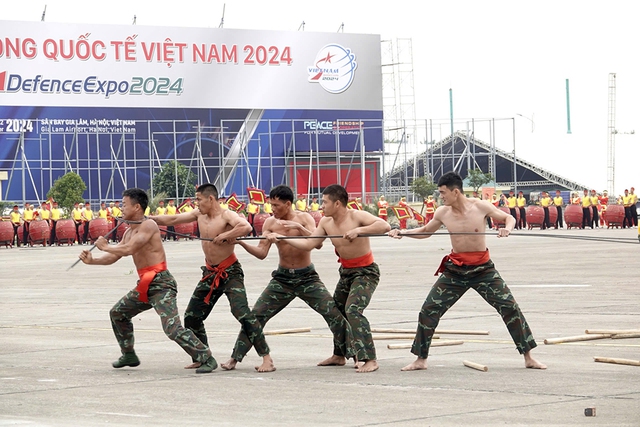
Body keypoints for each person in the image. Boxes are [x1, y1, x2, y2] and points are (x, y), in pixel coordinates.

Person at [388, 172, 546, 372]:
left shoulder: (480, 206)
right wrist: (402, 232)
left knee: (510, 307)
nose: (441, 197)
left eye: (443, 193)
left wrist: (507, 229)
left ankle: (529, 356)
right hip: (455, 270)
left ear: (455, 192)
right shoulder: (443, 212)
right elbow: (425, 232)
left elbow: (508, 218)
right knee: (428, 310)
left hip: (483, 270)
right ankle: (421, 359)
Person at [78, 188, 218, 373]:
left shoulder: (148, 225)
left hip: (161, 284)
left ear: (137, 207)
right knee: (118, 313)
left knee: (172, 329)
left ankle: (206, 357)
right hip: (145, 283)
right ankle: (128, 354)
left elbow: (129, 249)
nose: (121, 208)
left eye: (124, 204)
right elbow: (114, 257)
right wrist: (92, 261)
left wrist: (105, 247)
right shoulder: (129, 232)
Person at [221, 185, 355, 372]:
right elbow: (261, 253)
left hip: (307, 278)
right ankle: (235, 358)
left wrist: (295, 230)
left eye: (276, 205)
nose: (273, 209)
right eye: (271, 205)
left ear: (288, 204)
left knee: (333, 314)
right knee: (255, 317)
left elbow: (316, 245)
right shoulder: (269, 223)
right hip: (282, 280)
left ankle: (352, 355)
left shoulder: (304, 218)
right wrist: (240, 242)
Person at [150, 184, 273, 372]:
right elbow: (173, 218)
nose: (196, 203)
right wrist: (148, 220)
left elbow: (245, 226)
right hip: (210, 273)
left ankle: (266, 358)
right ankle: (201, 356)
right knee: (192, 316)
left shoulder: (226, 215)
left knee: (241, 313)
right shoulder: (199, 214)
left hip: (230, 272)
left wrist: (226, 234)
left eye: (199, 199)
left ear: (211, 199)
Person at [279, 184, 391, 373]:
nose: (321, 206)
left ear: (337, 203)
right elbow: (310, 244)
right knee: (335, 312)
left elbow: (385, 225)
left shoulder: (356, 216)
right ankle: (339, 355)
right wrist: (282, 238)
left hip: (365, 272)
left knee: (353, 310)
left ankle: (369, 358)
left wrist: (359, 231)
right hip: (346, 272)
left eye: (324, 202)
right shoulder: (325, 222)